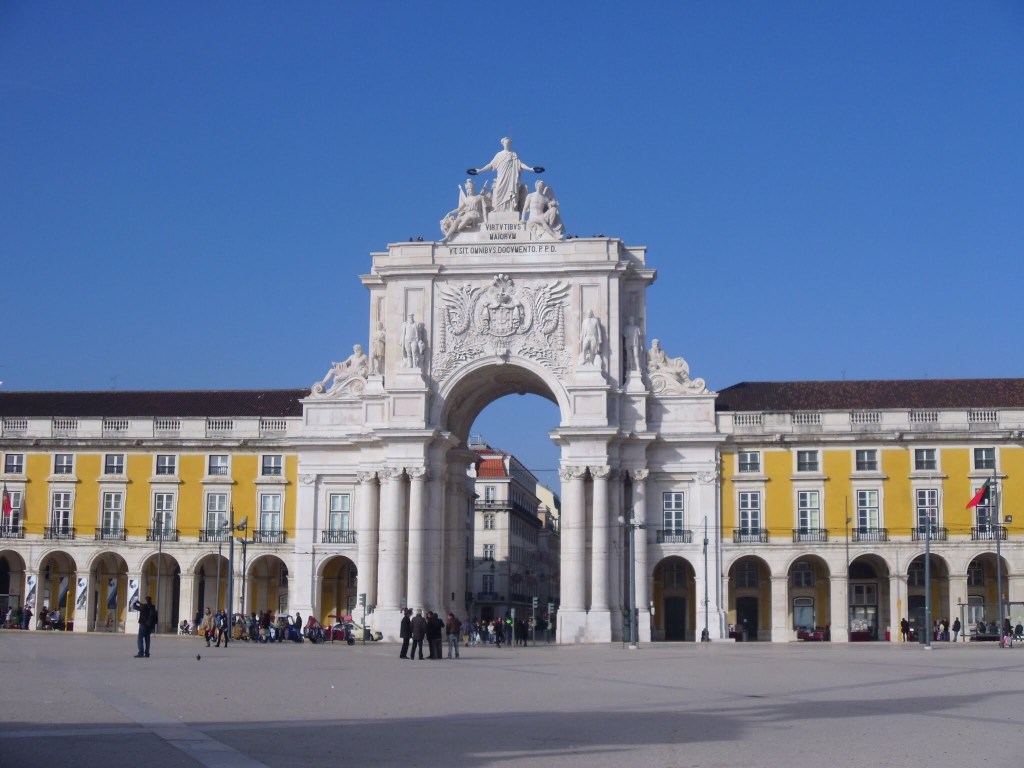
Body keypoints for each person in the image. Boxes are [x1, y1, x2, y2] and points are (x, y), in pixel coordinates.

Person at [468, 137, 543, 213]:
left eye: (508, 143)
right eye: (505, 143)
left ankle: (511, 209)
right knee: (498, 191)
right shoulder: (499, 155)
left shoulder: (513, 154)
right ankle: (497, 209)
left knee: (511, 192)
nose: (507, 144)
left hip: (511, 178)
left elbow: (520, 164)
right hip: (501, 177)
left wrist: (531, 169)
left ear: (510, 144)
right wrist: (480, 170)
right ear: (503, 143)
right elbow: (490, 165)